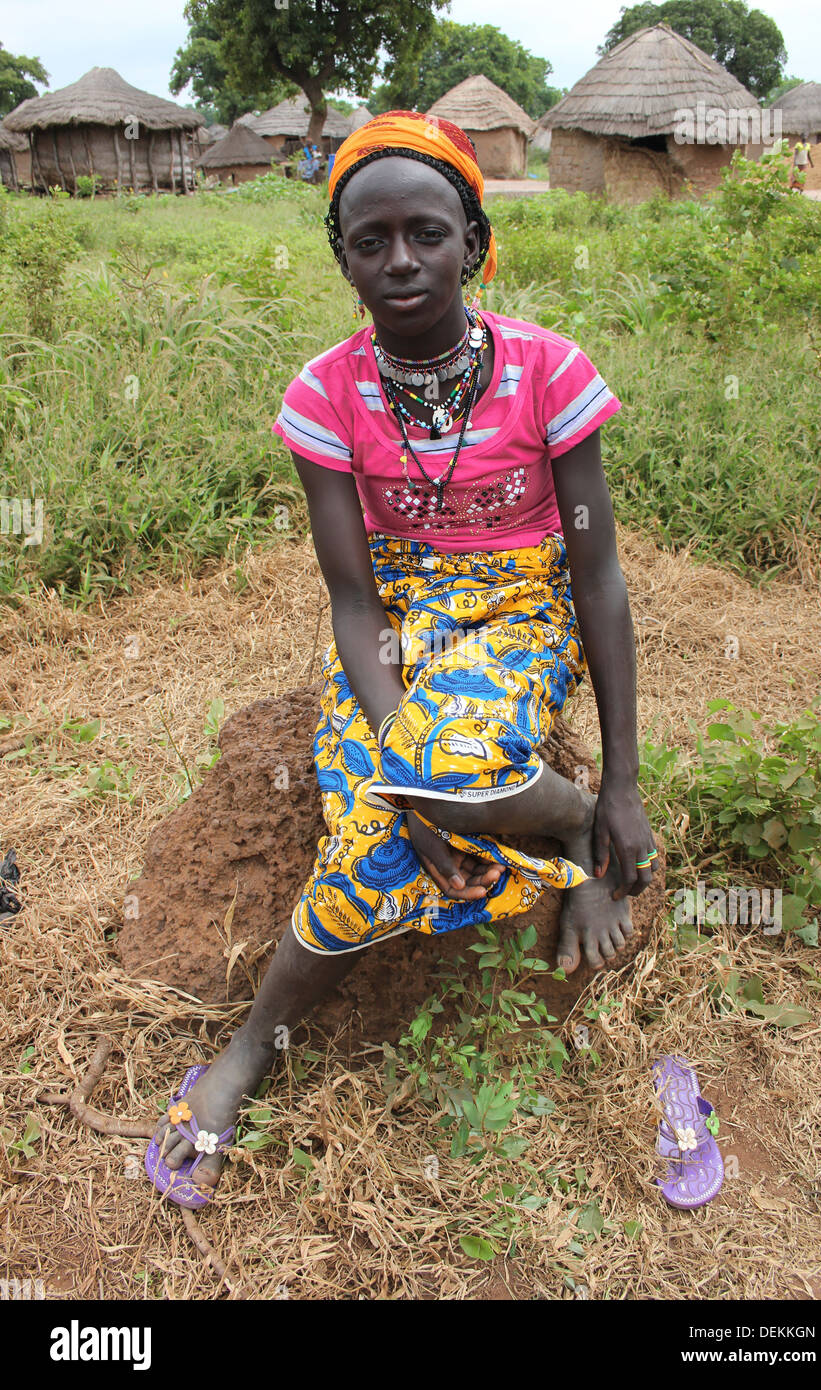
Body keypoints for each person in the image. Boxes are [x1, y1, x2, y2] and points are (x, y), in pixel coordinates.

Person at [147, 110, 659, 1204]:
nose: (400, 262)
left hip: (517, 614)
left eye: (425, 233)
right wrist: (412, 782)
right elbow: (350, 598)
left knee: (452, 769)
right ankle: (254, 1047)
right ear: (341, 258)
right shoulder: (323, 396)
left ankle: (573, 823)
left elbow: (597, 576)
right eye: (369, 242)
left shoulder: (549, 373)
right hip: (389, 631)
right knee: (380, 825)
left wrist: (616, 783)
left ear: (473, 240)